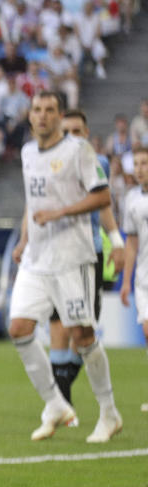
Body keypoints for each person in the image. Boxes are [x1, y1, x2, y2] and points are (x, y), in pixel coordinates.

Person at [9, 91, 122, 443]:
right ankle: (55, 403)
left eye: (50, 110)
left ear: (59, 116)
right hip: (36, 259)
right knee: (19, 328)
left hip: (72, 258)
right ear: (30, 116)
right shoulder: (28, 153)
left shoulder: (78, 151)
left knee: (83, 336)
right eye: (37, 110)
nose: (42, 116)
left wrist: (59, 213)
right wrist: (25, 239)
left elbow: (102, 196)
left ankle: (109, 413)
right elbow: (33, 201)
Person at [44, 110, 125, 412]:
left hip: (90, 252)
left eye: (78, 131)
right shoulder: (46, 164)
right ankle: (61, 403)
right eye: (68, 132)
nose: (73, 137)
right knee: (57, 324)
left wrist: (116, 241)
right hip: (55, 253)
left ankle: (63, 391)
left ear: (88, 134)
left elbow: (105, 206)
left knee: (85, 329)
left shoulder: (97, 163)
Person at [119, 147, 148, 413]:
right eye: (136, 163)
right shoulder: (131, 200)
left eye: (144, 163)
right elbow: (131, 242)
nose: (139, 168)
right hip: (143, 279)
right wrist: (126, 281)